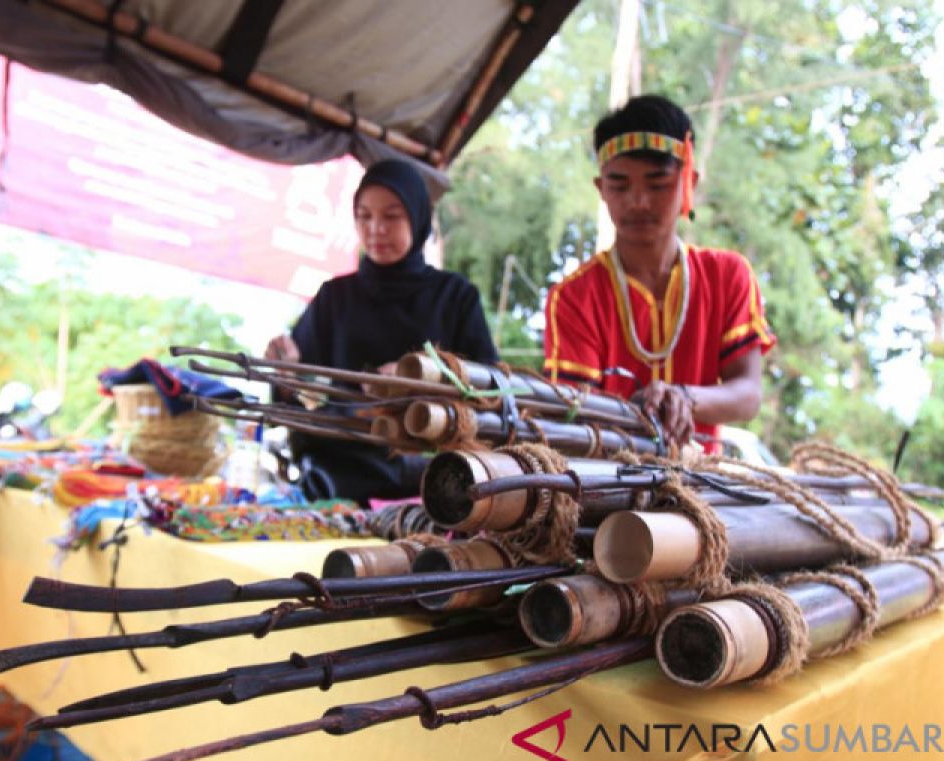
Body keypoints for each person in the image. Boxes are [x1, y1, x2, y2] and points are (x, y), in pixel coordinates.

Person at [543, 94, 776, 451]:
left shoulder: (729, 275)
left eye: (657, 184)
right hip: (605, 485)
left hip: (700, 485)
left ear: (689, 183)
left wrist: (685, 397)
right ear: (600, 189)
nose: (637, 201)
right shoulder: (575, 296)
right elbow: (572, 412)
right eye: (620, 185)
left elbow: (747, 394)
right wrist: (650, 409)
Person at [266, 158, 498, 504]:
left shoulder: (455, 297)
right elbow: (296, 396)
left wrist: (425, 377)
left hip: (432, 480)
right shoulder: (335, 298)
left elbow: (492, 390)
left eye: (391, 215)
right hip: (340, 474)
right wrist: (286, 371)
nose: (376, 228)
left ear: (418, 217)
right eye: (364, 216)